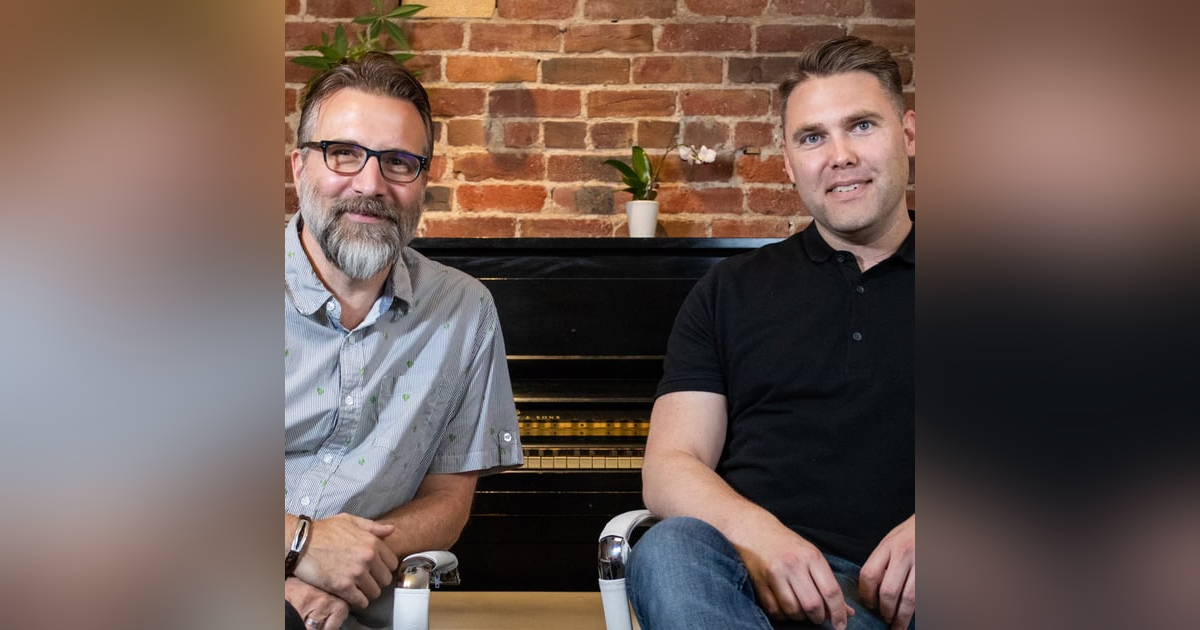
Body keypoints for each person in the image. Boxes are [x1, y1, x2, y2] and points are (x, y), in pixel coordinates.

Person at [626, 36, 916, 630]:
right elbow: (670, 464)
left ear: (909, 135)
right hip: (755, 593)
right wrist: (760, 536)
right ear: (788, 162)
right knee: (669, 549)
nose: (839, 155)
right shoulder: (727, 291)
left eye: (861, 126)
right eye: (812, 137)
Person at [284, 52, 523, 630]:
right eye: (344, 154)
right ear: (298, 168)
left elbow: (448, 499)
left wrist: (346, 572)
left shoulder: (465, 310)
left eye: (398, 162)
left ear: (423, 181)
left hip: (352, 610)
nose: (370, 185)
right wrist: (300, 548)